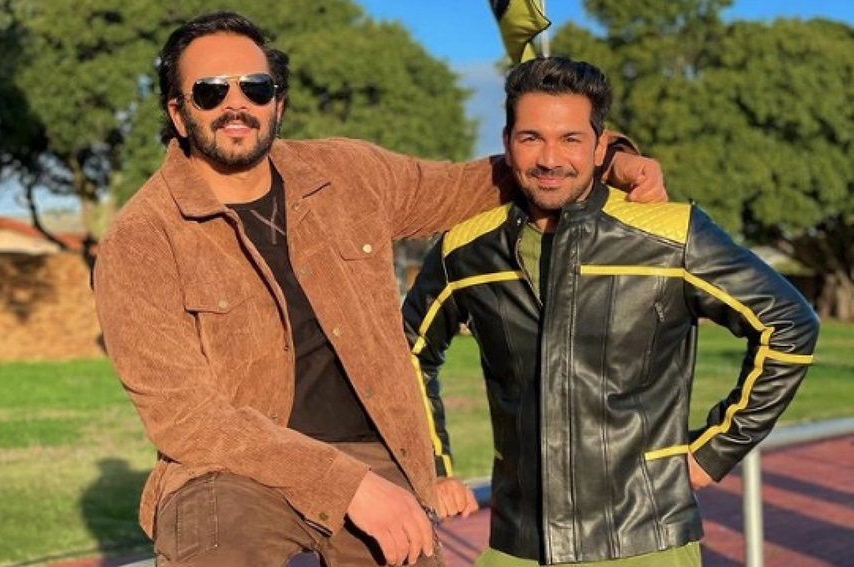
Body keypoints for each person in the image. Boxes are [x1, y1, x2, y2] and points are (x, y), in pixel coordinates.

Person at [92, 10, 666, 567]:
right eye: (211, 91)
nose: (236, 104)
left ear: (278, 103)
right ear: (177, 111)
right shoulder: (139, 240)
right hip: (231, 469)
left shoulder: (348, 174)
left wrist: (607, 155)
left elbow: (471, 184)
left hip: (376, 453)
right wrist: (348, 486)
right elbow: (188, 420)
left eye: (256, 88)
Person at [402, 56, 820, 567]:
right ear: (508, 142)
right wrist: (435, 465)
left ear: (601, 147)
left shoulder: (672, 235)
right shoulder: (465, 250)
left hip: (647, 541)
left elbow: (790, 324)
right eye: (531, 138)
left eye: (571, 139)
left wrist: (715, 450)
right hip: (517, 542)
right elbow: (406, 350)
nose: (550, 159)